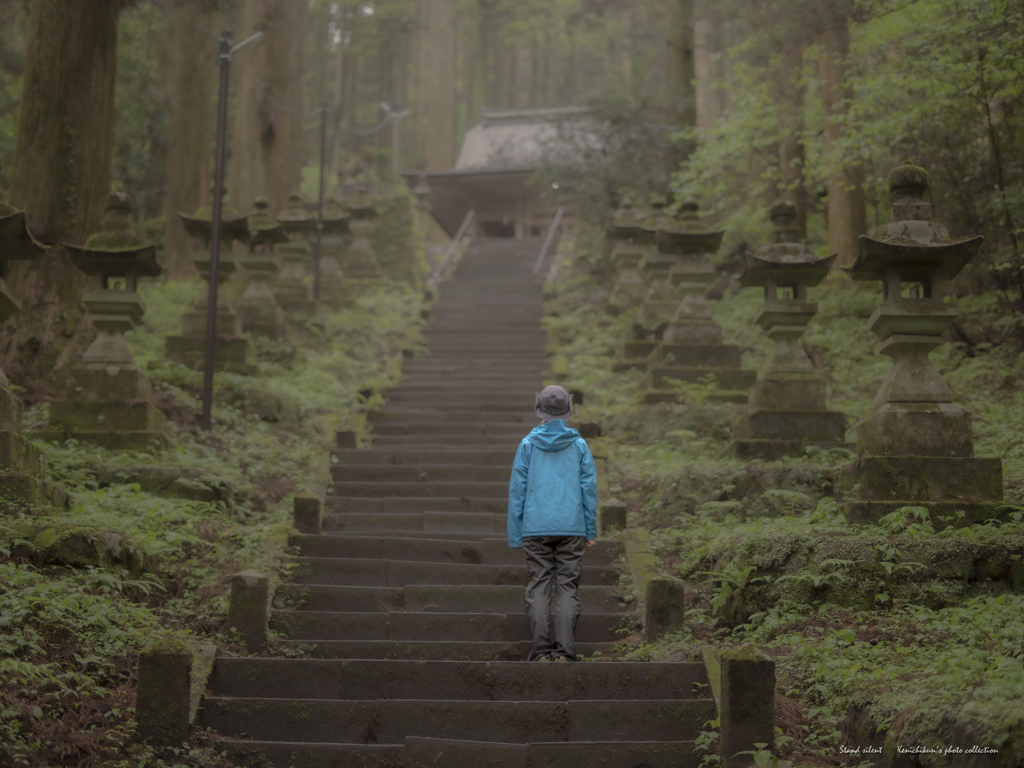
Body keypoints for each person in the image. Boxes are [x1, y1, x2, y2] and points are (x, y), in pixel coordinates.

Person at [508, 384, 598, 662]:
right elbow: (589, 489)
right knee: (567, 586)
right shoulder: (580, 445)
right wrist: (590, 529)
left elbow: (517, 491)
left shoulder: (527, 445)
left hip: (535, 528)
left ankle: (541, 651)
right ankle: (565, 652)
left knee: (539, 584)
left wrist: (516, 533)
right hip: (572, 527)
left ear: (541, 410)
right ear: (568, 411)